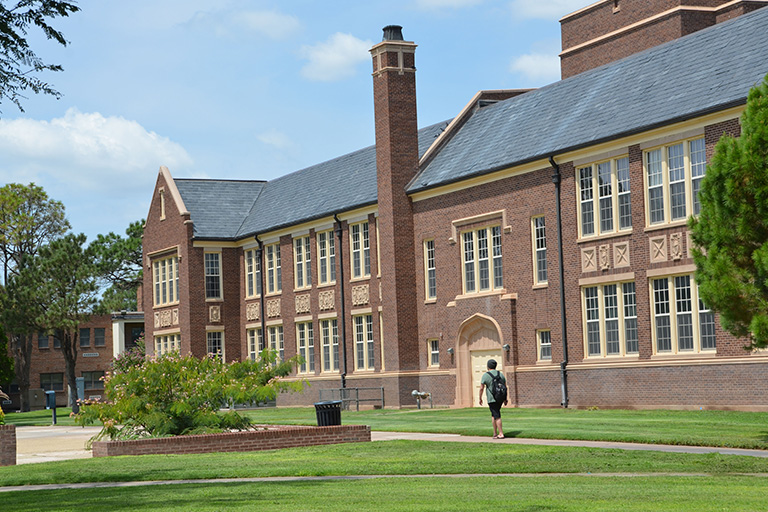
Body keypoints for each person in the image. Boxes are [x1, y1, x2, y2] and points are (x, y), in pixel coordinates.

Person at [478, 359, 508, 439]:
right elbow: (505, 387)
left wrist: (480, 398)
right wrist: (505, 399)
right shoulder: (500, 374)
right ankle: (495, 433)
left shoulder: (485, 375)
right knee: (494, 414)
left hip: (492, 399)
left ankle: (501, 433)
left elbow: (481, 388)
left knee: (497, 415)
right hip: (500, 398)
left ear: (488, 366)